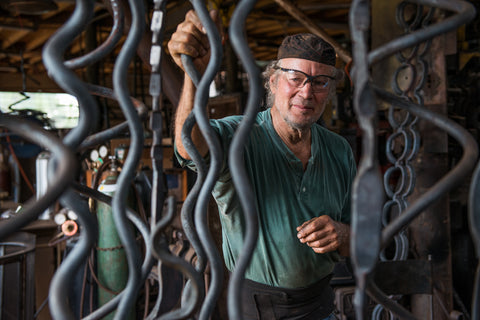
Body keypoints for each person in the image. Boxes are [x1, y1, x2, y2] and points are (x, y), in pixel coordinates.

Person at [168, 9, 356, 320]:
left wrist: (344, 234)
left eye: (320, 82)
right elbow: (190, 147)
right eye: (295, 78)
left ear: (329, 92)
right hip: (255, 308)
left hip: (321, 305)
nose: (306, 92)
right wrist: (195, 78)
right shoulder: (239, 136)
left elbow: (359, 233)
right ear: (272, 81)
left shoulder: (339, 150)